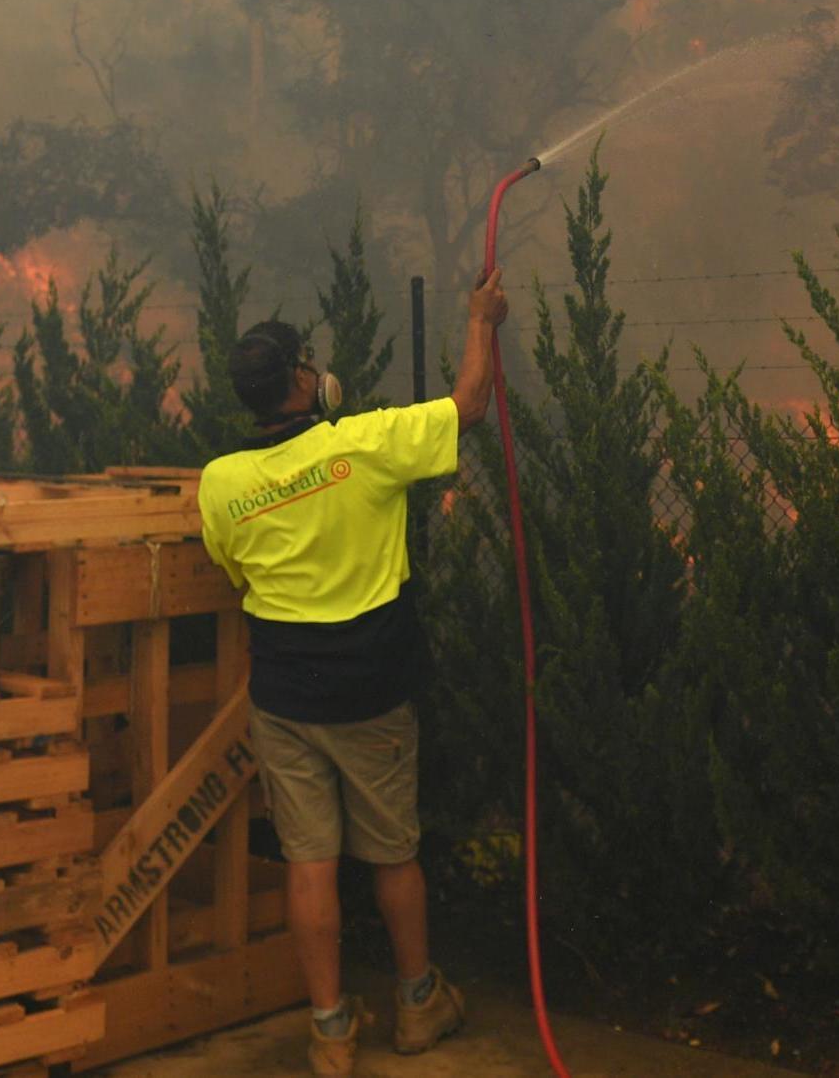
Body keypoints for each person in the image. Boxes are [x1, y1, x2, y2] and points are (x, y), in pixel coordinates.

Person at [197, 269, 510, 1076]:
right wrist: (482, 319)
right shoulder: (363, 444)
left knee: (311, 861)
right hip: (372, 693)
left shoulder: (221, 483)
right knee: (394, 855)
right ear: (303, 379)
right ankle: (416, 1006)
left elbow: (235, 575)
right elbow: (469, 405)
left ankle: (331, 1031)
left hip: (284, 699)